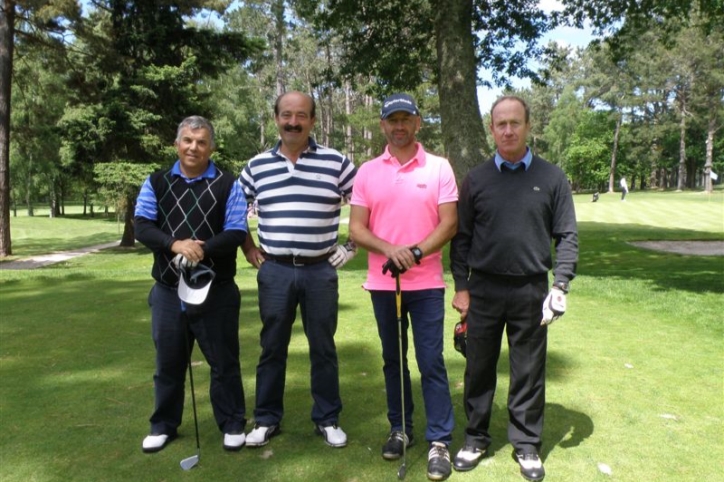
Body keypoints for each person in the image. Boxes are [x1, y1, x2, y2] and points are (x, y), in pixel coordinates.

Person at [449, 95, 578, 482]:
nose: (508, 130)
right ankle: (475, 437)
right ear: (492, 129)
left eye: (515, 123)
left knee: (528, 370)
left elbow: (567, 235)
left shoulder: (552, 178)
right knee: (479, 367)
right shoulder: (476, 178)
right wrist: (461, 286)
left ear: (528, 126)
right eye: (500, 123)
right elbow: (462, 239)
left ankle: (526, 444)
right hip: (484, 289)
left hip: (531, 290)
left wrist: (561, 284)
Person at [238, 91, 357, 449]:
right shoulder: (256, 165)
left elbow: (368, 205)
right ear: (276, 118)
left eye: (301, 115)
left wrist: (351, 247)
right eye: (286, 115)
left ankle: (327, 418)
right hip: (274, 270)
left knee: (323, 347)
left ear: (313, 121)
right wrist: (247, 246)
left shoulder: (336, 162)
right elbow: (233, 210)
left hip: (320, 270)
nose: (293, 122)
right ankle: (265, 419)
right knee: (272, 346)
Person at [349, 93, 458, 481]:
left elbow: (449, 224)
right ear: (382, 125)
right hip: (383, 283)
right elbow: (357, 229)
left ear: (417, 123)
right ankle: (401, 428)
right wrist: (390, 250)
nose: (399, 126)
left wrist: (414, 251)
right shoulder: (367, 172)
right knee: (393, 360)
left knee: (430, 362)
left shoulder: (440, 168)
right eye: (392, 120)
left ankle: (439, 440)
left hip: (426, 284)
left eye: (405, 119)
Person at [135, 116, 249, 453]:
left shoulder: (228, 184)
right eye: (187, 140)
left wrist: (199, 248)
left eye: (201, 142)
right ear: (176, 144)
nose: (193, 147)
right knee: (168, 363)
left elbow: (236, 232)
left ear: (211, 147)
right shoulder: (156, 182)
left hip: (217, 291)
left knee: (224, 362)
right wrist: (174, 244)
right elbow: (142, 225)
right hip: (169, 291)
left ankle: (232, 423)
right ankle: (163, 425)